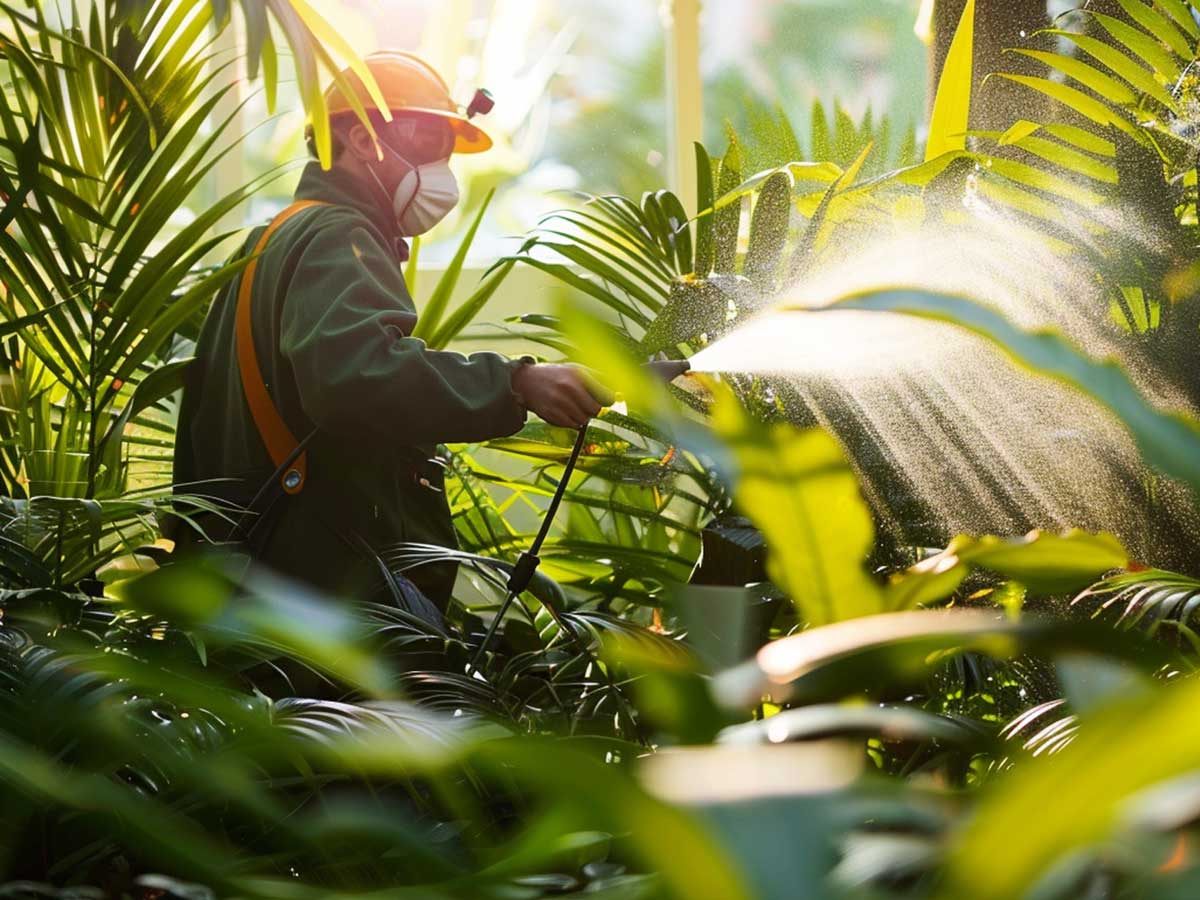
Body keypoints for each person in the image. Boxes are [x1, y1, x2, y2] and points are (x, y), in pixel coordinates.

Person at [173, 52, 604, 614]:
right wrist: (516, 384)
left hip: (253, 579)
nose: (442, 168)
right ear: (358, 139)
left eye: (447, 150)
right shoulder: (339, 235)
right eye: (425, 140)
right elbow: (354, 378)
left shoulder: (270, 237)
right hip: (322, 591)